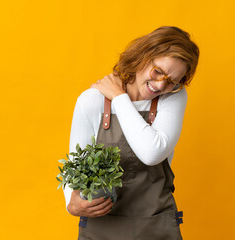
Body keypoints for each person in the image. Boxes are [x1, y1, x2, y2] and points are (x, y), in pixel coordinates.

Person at [63, 26, 199, 240]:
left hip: (156, 227)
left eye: (172, 80)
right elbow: (75, 163)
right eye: (158, 71)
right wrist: (71, 203)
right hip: (101, 227)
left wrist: (119, 98)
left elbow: (152, 153)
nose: (161, 84)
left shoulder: (172, 98)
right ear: (143, 55)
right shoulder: (92, 100)